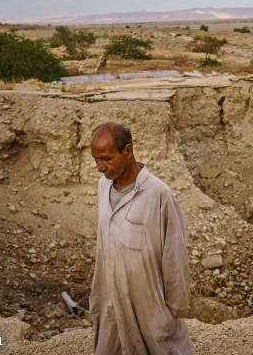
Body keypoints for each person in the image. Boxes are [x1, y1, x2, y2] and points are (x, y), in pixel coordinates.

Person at [89, 121, 193, 355]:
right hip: (111, 300)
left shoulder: (158, 195)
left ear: (128, 151)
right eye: (96, 160)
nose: (99, 167)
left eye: (105, 159)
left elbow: (174, 255)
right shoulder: (103, 187)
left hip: (149, 305)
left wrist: (174, 309)